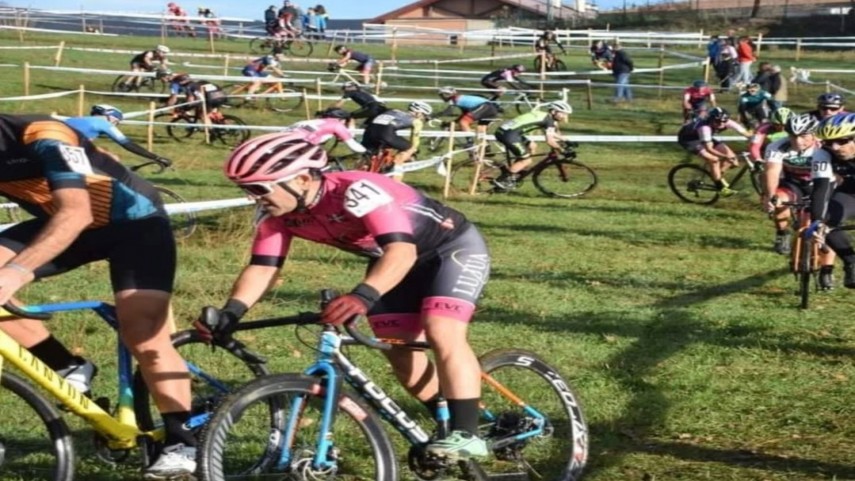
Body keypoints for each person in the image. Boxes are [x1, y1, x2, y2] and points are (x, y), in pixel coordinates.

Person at [196, 130, 492, 461]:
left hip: (448, 251)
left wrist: (362, 296)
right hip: (391, 263)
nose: (253, 198)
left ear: (303, 178)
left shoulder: (358, 192)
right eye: (245, 189)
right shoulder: (279, 214)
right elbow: (263, 268)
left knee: (442, 330)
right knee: (400, 353)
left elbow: (402, 252)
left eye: (258, 188)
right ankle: (448, 419)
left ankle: (469, 433)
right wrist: (232, 312)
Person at [0, 114, 195, 478]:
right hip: (59, 221)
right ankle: (66, 366)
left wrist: (16, 271)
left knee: (141, 332)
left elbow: (76, 213)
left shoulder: (43, 134)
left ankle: (181, 439)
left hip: (133, 224)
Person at [763, 114, 836, 288]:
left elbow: (829, 179)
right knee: (780, 201)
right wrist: (770, 197)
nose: (798, 141)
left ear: (814, 135)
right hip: (793, 184)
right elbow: (772, 171)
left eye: (803, 136)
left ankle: (827, 269)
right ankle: (782, 233)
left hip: (822, 184)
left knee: (827, 225)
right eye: (793, 136)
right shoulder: (777, 146)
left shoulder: (824, 148)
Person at [811, 113, 855, 288]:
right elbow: (821, 189)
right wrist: (818, 222)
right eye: (829, 142)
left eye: (842, 141)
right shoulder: (823, 154)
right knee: (827, 220)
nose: (835, 147)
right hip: (850, 192)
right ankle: (851, 262)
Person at [492, 101, 573, 190]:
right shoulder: (548, 121)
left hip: (507, 131)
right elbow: (550, 141)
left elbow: (551, 133)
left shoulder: (543, 115)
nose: (565, 117)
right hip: (510, 135)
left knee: (532, 146)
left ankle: (514, 170)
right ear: (553, 112)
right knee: (526, 160)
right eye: (563, 114)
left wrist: (565, 140)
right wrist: (563, 151)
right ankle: (503, 180)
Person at [677, 107, 752, 196]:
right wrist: (724, 157)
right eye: (717, 121)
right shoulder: (704, 127)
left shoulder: (727, 122)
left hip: (704, 137)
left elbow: (747, 134)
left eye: (723, 121)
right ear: (711, 120)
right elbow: (709, 149)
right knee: (714, 160)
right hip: (689, 140)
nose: (721, 124)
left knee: (733, 161)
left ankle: (717, 176)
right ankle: (720, 188)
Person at [65, 105, 172, 166]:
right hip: (69, 151)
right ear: (112, 118)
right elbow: (127, 144)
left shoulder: (75, 118)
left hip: (56, 145)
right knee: (113, 159)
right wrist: (156, 158)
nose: (116, 125)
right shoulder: (104, 124)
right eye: (117, 122)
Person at [361, 100, 432, 181]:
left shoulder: (393, 110)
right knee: (409, 149)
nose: (423, 119)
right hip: (386, 134)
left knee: (368, 156)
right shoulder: (416, 121)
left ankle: (359, 170)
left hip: (369, 132)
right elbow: (415, 138)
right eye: (424, 116)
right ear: (419, 113)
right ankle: (396, 180)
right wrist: (413, 150)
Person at [435, 86, 500, 155]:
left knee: (463, 122)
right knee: (480, 128)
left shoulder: (456, 100)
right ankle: (485, 147)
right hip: (490, 107)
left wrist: (435, 116)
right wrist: (452, 123)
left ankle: (470, 142)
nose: (442, 97)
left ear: (448, 95)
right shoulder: (459, 99)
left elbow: (455, 115)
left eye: (443, 95)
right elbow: (464, 115)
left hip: (485, 106)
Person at [291, 108, 366, 153]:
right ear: (342, 120)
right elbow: (353, 145)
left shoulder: (307, 122)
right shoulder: (337, 124)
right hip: (299, 147)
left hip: (284, 142)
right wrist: (366, 152)